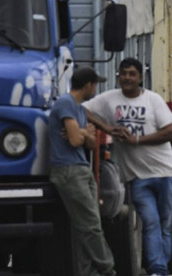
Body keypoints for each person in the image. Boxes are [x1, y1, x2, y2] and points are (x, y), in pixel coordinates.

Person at [84, 58, 172, 276]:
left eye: (132, 74)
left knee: (164, 224)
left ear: (140, 77)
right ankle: (157, 269)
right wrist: (107, 127)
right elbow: (81, 109)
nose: (127, 77)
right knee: (150, 222)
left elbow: (171, 132)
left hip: (166, 174)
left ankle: (160, 268)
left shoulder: (152, 100)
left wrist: (137, 140)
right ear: (118, 76)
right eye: (124, 73)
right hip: (137, 178)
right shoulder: (109, 99)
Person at [48, 67, 116, 276]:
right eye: (95, 84)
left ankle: (89, 272)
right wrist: (83, 133)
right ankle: (108, 269)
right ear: (88, 85)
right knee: (90, 226)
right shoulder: (65, 103)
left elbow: (92, 142)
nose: (96, 88)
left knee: (87, 226)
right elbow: (77, 140)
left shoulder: (78, 108)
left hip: (81, 168)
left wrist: (83, 133)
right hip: (68, 170)